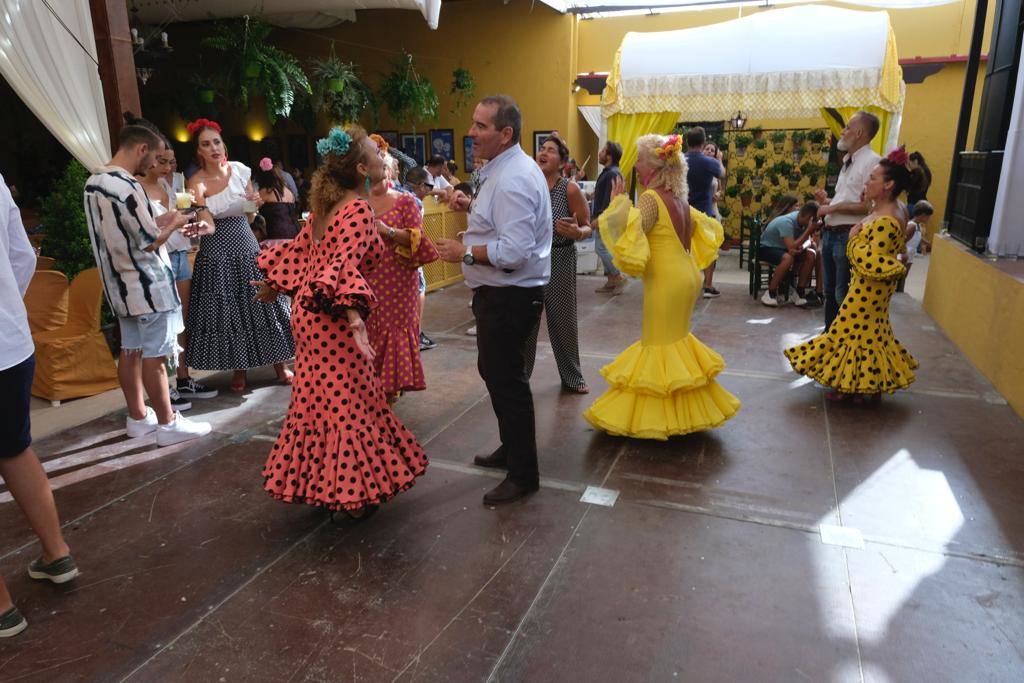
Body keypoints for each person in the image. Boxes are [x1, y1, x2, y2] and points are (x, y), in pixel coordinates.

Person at [254, 126, 428, 517]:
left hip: (310, 316)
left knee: (319, 403)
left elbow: (303, 255)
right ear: (364, 169)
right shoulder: (357, 210)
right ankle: (351, 496)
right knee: (349, 406)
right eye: (375, 153)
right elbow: (340, 265)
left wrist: (273, 284)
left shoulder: (324, 209)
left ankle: (324, 483)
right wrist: (354, 318)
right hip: (333, 322)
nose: (383, 158)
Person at [584, 134, 740, 439]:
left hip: (668, 283)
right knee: (675, 343)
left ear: (653, 166)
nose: (636, 165)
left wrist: (617, 204)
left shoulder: (651, 198)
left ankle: (661, 419)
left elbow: (633, 229)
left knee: (658, 346)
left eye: (640, 159)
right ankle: (680, 413)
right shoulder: (678, 198)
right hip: (688, 277)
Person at [434, 94, 551, 505]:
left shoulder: (515, 177)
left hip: (510, 296)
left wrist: (463, 252)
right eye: (473, 124)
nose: (471, 133)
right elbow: (499, 222)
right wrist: (469, 205)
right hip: (499, 295)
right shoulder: (503, 169)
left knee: (508, 381)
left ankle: (524, 474)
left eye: (481, 126)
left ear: (505, 133)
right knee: (496, 372)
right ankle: (511, 450)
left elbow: (514, 251)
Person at [83, 116, 212, 445]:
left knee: (131, 350)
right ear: (141, 149)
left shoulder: (94, 183)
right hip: (147, 284)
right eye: (154, 157)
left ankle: (138, 417)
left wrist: (167, 219)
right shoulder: (126, 186)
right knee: (156, 354)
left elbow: (130, 229)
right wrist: (177, 222)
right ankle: (169, 424)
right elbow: (149, 240)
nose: (155, 164)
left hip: (120, 286)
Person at [0, 175, 79, 638]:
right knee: (15, 448)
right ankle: (57, 553)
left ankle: (3, 607)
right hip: (10, 344)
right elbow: (22, 255)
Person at [785, 147, 922, 402]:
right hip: (872, 290)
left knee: (853, 333)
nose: (867, 182)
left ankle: (855, 388)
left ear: (888, 184)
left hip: (867, 291)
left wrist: (853, 240)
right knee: (868, 335)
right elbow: (905, 237)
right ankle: (861, 387)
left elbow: (872, 262)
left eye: (873, 178)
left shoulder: (885, 219)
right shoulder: (895, 209)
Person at [184, 119, 295, 393]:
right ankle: (239, 369)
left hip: (246, 244)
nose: (213, 148)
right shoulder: (195, 182)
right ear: (198, 151)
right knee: (229, 311)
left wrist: (254, 204)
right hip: (216, 251)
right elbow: (206, 221)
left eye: (217, 142)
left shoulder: (241, 171)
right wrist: (198, 222)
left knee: (264, 303)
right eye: (206, 144)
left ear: (224, 145)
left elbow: (248, 215)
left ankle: (281, 364)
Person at [136, 136, 217, 410]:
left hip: (180, 252)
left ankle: (183, 378)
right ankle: (164, 385)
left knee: (181, 318)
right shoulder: (136, 189)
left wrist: (190, 219)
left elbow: (185, 215)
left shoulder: (172, 183)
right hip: (159, 257)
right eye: (162, 161)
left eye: (172, 161)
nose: (168, 167)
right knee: (162, 322)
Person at [366, 150, 439, 400]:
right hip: (368, 279)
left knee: (393, 330)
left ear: (389, 172)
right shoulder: (357, 202)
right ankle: (374, 389)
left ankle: (391, 389)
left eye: (384, 168)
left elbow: (417, 238)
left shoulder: (405, 201)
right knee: (369, 329)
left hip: (398, 280)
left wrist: (387, 231)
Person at [525, 135, 591, 393]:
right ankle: (521, 378)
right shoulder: (529, 186)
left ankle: (573, 377)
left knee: (562, 320)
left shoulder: (569, 189)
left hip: (560, 258)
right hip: (530, 261)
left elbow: (588, 226)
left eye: (551, 150)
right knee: (527, 321)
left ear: (563, 162)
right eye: (542, 149)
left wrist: (577, 233)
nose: (543, 153)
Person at [814, 111, 881, 331]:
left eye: (848, 127)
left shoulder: (873, 162)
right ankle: (829, 336)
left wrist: (831, 207)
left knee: (842, 293)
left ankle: (843, 340)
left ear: (860, 133)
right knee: (829, 291)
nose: (843, 132)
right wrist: (829, 201)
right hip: (832, 233)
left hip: (846, 235)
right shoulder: (848, 162)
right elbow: (849, 199)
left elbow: (868, 206)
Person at [683, 127, 726, 299]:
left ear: (687, 142)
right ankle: (707, 285)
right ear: (702, 143)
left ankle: (685, 284)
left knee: (684, 249)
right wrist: (720, 160)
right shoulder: (709, 162)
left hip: (683, 212)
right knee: (710, 249)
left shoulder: (679, 160)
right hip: (705, 212)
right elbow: (722, 173)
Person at [759, 200, 823, 308]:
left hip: (785, 248)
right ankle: (771, 292)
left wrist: (802, 247)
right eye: (815, 219)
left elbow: (809, 241)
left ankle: (799, 292)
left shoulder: (802, 221)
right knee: (788, 258)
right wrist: (809, 229)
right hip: (768, 248)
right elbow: (792, 247)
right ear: (809, 217)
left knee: (811, 254)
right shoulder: (786, 222)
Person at [592, 141, 626, 294]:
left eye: (603, 151)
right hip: (605, 217)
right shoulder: (609, 172)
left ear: (609, 156)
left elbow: (610, 200)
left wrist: (600, 219)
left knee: (600, 247)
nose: (600, 152)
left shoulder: (612, 173)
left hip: (605, 217)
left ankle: (618, 276)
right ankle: (611, 281)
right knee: (605, 247)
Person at [254, 157, 300, 241]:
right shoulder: (288, 190)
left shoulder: (266, 191)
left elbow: (248, 208)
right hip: (295, 233)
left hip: (277, 237)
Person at [898, 200, 932, 290]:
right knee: (900, 277)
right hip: (904, 255)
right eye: (928, 217)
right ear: (923, 215)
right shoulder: (912, 226)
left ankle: (901, 292)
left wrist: (926, 243)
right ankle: (898, 293)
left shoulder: (918, 226)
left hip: (910, 255)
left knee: (904, 276)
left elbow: (917, 237)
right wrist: (903, 253)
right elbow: (902, 240)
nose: (929, 219)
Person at [906, 151, 932, 215]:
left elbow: (910, 184)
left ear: (914, 161)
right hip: (923, 203)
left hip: (913, 203)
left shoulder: (917, 172)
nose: (909, 166)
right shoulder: (926, 170)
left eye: (909, 163)